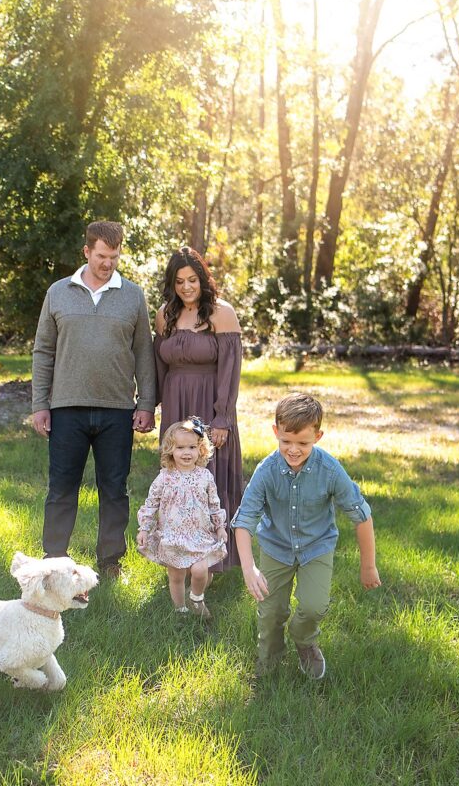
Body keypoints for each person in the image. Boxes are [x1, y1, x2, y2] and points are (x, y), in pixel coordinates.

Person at [31, 221, 156, 579]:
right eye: (102, 256)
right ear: (87, 252)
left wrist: (146, 403)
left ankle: (110, 561)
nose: (108, 264)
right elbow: (43, 351)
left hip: (117, 409)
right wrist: (41, 403)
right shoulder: (58, 292)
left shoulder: (132, 295)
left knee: (115, 489)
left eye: (114, 257)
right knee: (61, 488)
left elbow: (144, 353)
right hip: (66, 407)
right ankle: (54, 560)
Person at [231, 392, 381, 679]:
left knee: (314, 606)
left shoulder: (330, 469)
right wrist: (249, 568)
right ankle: (269, 663)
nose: (294, 449)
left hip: (316, 546)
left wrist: (368, 565)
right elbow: (244, 520)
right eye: (286, 441)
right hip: (276, 547)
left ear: (318, 436)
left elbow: (361, 515)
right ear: (276, 432)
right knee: (271, 611)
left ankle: (304, 638)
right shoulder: (266, 471)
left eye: (303, 443)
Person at [154, 246, 242, 571]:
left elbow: (230, 372)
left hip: (209, 405)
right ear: (172, 284)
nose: (187, 287)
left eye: (192, 279)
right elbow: (158, 366)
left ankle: (213, 562)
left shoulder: (222, 313)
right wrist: (151, 407)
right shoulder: (165, 314)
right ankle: (178, 559)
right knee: (176, 484)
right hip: (176, 406)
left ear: (203, 279)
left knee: (210, 482)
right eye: (179, 281)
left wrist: (222, 418)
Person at [137, 417, 227, 620]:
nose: (186, 453)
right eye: (180, 448)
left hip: (198, 534)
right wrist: (144, 528)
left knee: (200, 570)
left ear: (200, 449)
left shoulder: (205, 476)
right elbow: (151, 504)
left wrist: (219, 526)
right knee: (176, 576)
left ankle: (196, 598)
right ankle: (180, 611)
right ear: (170, 450)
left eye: (192, 447)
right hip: (173, 534)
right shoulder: (165, 477)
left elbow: (214, 504)